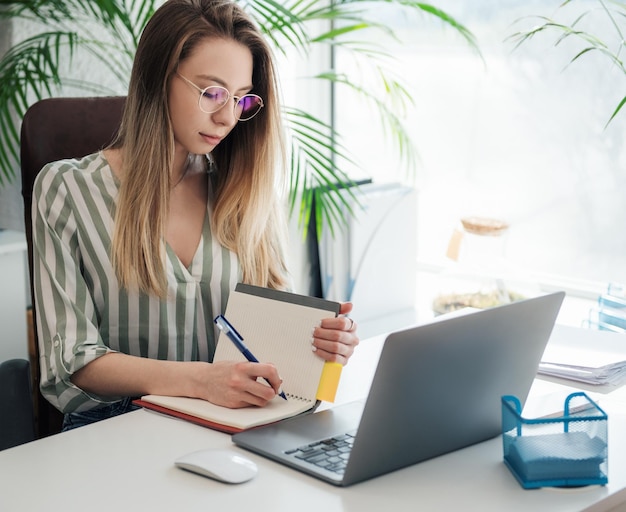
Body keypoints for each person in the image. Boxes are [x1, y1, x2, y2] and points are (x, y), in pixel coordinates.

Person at [31, 0, 359, 431]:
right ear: (158, 79)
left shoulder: (245, 191)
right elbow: (72, 360)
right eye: (212, 92)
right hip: (112, 431)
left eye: (242, 99)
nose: (227, 117)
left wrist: (322, 347)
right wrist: (202, 382)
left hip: (231, 426)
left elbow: (274, 347)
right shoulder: (67, 190)